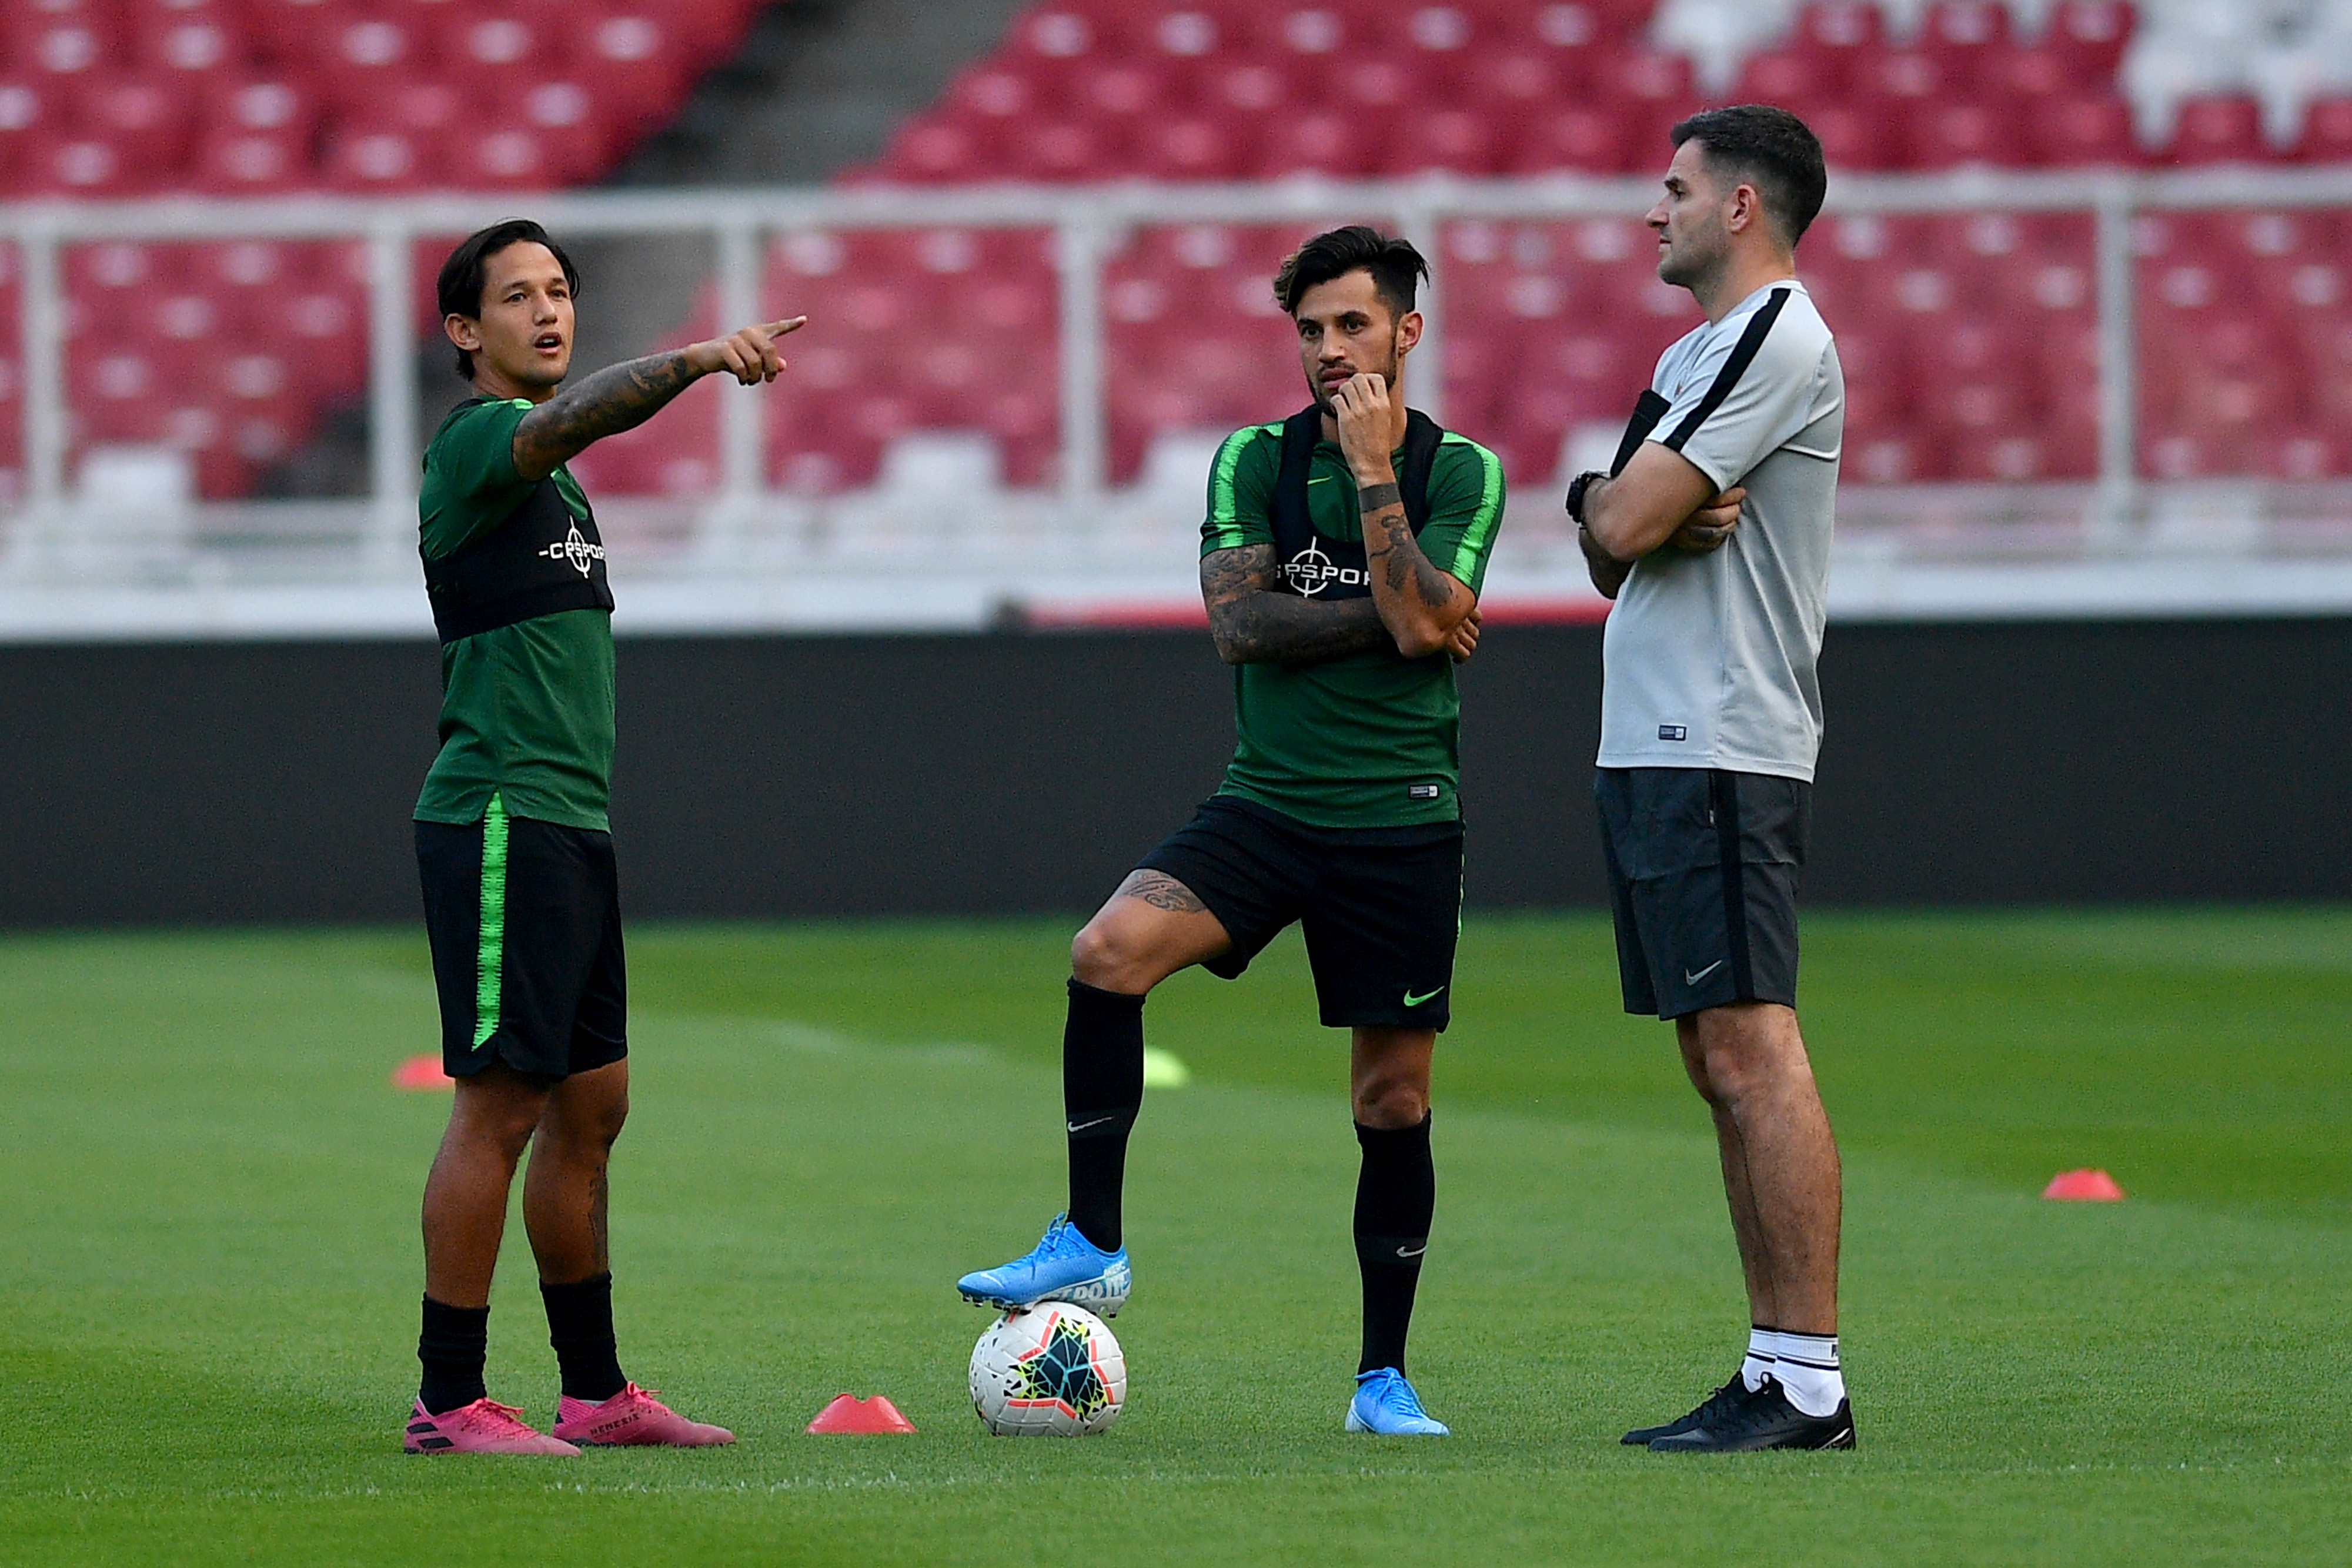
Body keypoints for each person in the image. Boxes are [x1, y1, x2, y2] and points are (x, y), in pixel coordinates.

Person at [955, 226, 1504, 1436]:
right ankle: (1092, 1239)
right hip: (1266, 801)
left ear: (1406, 330)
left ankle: (1380, 1381)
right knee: (1105, 951)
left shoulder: (1461, 468)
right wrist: (1400, 612)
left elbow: (1410, 623)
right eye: (1309, 329)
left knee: (1390, 1103)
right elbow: (1242, 626)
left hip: (1400, 819)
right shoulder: (1251, 457)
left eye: (1351, 325)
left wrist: (1374, 483)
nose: (1326, 350)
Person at [404, 218, 803, 1455]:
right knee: (499, 1105)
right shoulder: (483, 443)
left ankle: (595, 1390)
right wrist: (692, 361)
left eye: (561, 290)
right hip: (503, 814)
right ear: (466, 331)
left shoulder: (552, 483)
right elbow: (564, 418)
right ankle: (449, 1397)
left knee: (591, 1112)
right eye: (516, 296)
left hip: (571, 822)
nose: (548, 309)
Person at [1566, 105, 1854, 1452]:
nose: (1650, 209)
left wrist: (1629, 503)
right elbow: (1605, 541)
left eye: (1672, 188)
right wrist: (1622, 501)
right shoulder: (1695, 346)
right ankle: (1768, 1366)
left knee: (1750, 1044)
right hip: (1661, 736)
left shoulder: (1774, 333)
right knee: (1711, 1053)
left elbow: (1623, 517)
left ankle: (1806, 1380)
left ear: (1741, 205)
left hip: (1722, 736)